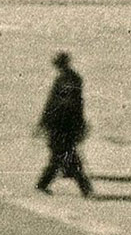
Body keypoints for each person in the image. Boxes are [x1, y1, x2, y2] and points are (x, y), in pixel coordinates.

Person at [35, 52, 94, 197]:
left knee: (61, 156)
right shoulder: (70, 79)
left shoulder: (65, 80)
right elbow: (72, 104)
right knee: (65, 156)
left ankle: (45, 183)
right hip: (63, 125)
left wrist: (44, 122)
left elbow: (57, 104)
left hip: (61, 125)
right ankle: (84, 187)